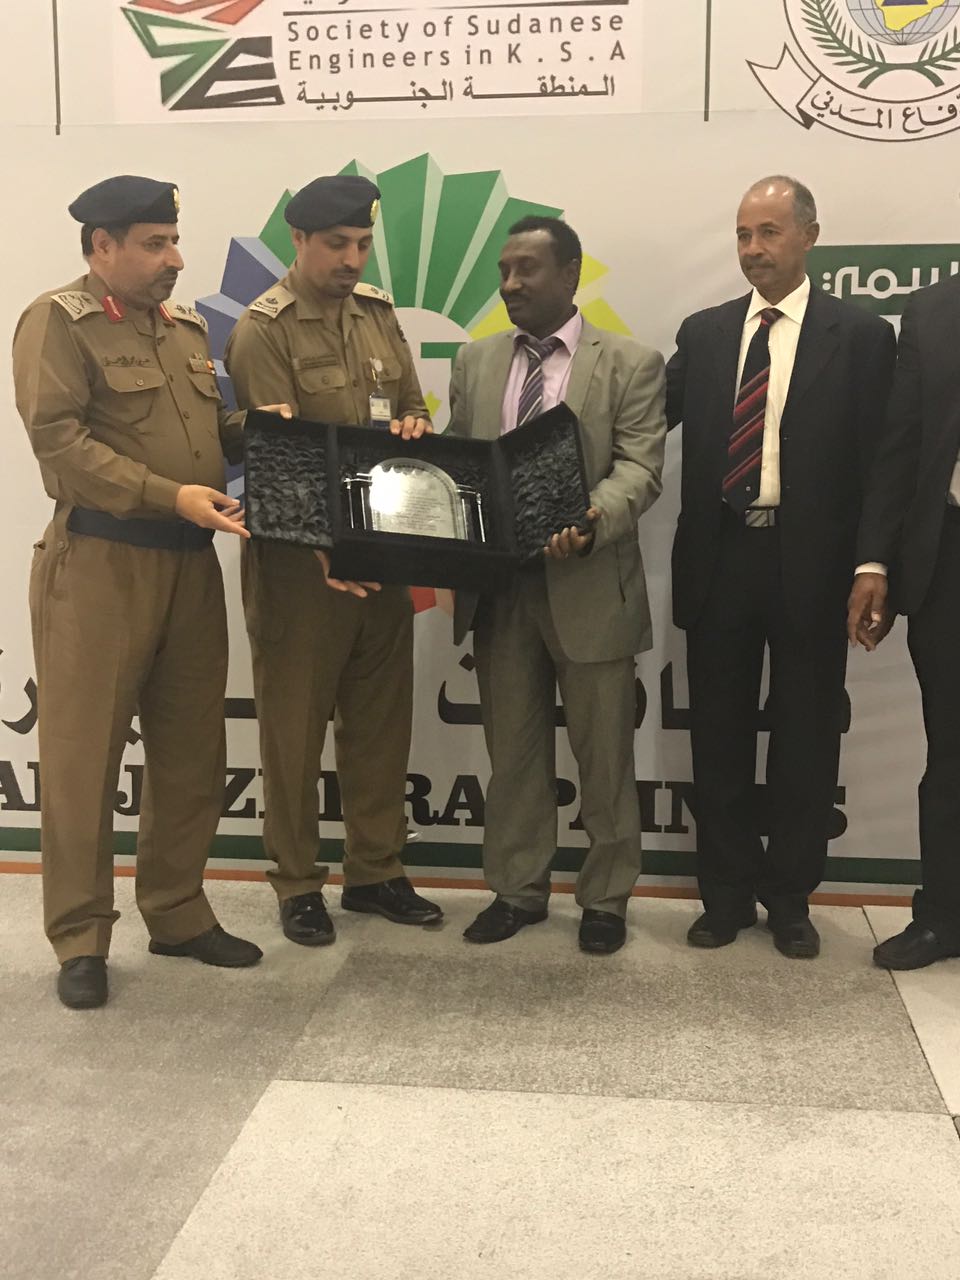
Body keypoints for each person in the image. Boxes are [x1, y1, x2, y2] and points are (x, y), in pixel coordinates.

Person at [12, 175, 280, 1009]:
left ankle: (176, 911)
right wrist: (171, 496)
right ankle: (81, 938)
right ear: (103, 246)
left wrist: (265, 428)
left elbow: (204, 436)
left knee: (192, 752)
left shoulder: (184, 329)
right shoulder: (58, 322)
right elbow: (61, 445)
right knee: (83, 760)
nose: (176, 259)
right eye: (156, 244)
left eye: (174, 241)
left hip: (189, 564)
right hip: (101, 564)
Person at [665, 175, 896, 959]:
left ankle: (790, 898)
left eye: (768, 232)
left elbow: (883, 463)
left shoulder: (860, 336)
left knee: (805, 739)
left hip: (815, 566)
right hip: (720, 557)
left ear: (809, 236)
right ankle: (725, 896)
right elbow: (638, 417)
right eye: (742, 234)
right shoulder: (704, 334)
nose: (753, 249)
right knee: (719, 737)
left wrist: (873, 561)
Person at [225, 174, 442, 946]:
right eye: (337, 245)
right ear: (300, 241)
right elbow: (275, 457)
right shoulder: (265, 329)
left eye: (362, 245)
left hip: (381, 551)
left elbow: (411, 405)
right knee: (294, 730)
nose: (352, 260)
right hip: (298, 568)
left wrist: (415, 426)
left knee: (380, 724)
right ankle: (296, 882)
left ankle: (376, 870)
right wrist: (323, 548)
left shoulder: (378, 315)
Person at [448, 216, 666, 955]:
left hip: (590, 582)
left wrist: (590, 519)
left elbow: (640, 468)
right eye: (504, 270)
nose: (510, 284)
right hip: (500, 590)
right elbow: (463, 467)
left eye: (527, 269)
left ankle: (605, 899)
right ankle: (517, 890)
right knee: (512, 755)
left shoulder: (631, 362)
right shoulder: (475, 361)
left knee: (604, 757)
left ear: (570, 274)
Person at [850, 269, 960, 970]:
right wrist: (874, 562)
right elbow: (900, 445)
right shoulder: (934, 309)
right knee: (950, 749)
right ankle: (943, 917)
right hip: (950, 558)